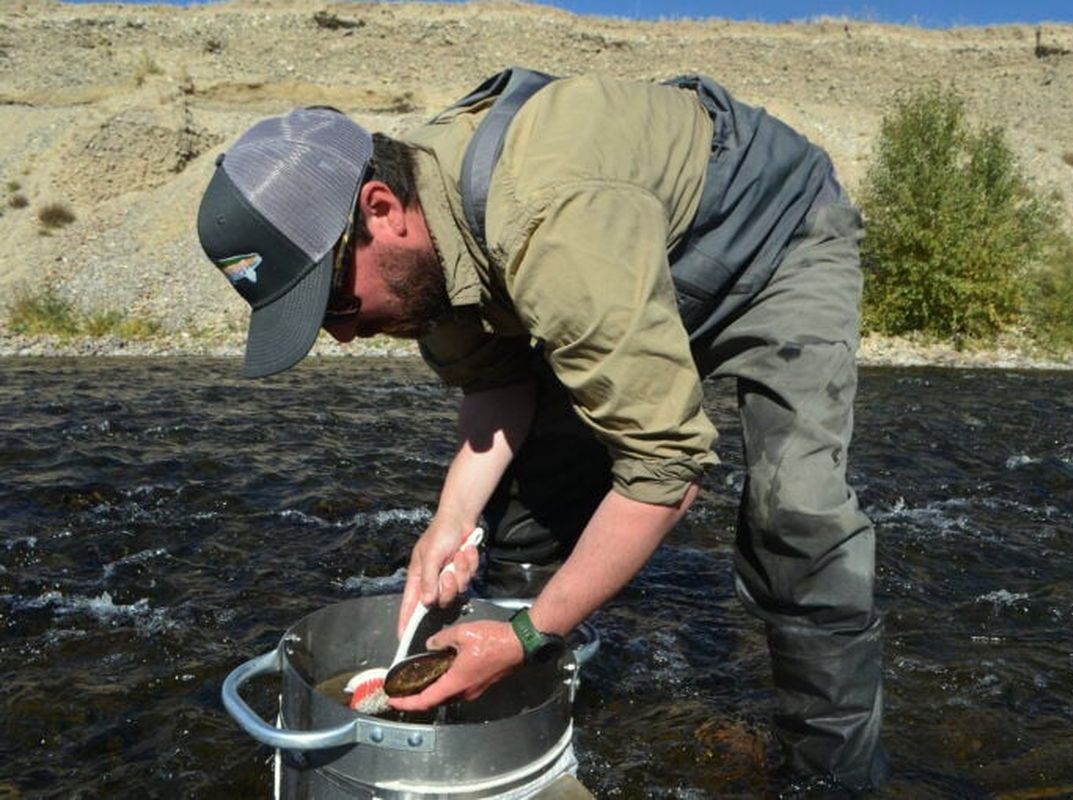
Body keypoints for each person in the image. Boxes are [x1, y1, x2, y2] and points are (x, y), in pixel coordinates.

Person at [196, 67, 888, 791]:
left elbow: (669, 468)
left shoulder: (545, 221)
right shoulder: (426, 254)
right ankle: (520, 713)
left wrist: (530, 633)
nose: (340, 336)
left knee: (796, 520)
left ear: (380, 209)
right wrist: (447, 526)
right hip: (617, 263)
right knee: (527, 504)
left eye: (333, 302)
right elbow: (498, 389)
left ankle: (834, 777)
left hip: (775, 242)